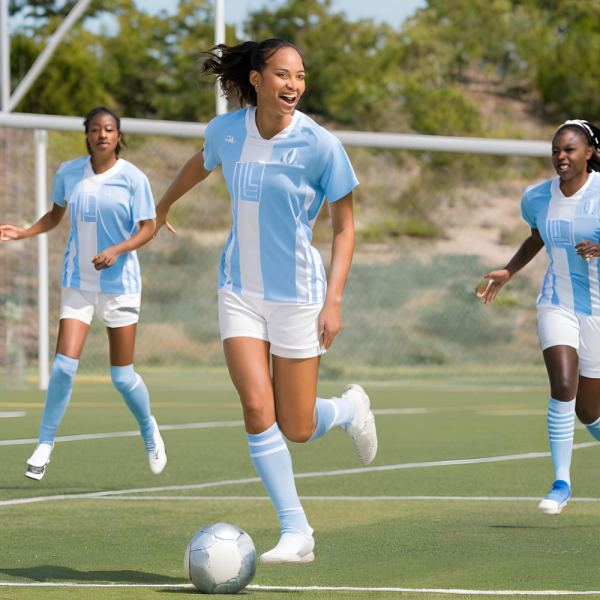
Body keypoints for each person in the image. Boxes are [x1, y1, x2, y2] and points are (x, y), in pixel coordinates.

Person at [154, 39, 377, 564]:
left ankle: (348, 409)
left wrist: (334, 301)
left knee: (296, 425)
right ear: (256, 79)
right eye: (282, 74)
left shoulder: (322, 146)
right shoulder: (226, 131)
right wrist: (162, 205)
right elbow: (199, 163)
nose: (293, 85)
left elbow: (344, 229)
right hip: (238, 289)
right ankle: (297, 533)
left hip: (299, 296)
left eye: (300, 76)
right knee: (258, 408)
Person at [0, 107, 167, 480]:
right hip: (78, 281)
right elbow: (56, 216)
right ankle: (45, 444)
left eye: (109, 129)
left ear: (118, 136)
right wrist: (23, 232)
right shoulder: (69, 173)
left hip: (120, 286)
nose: (102, 134)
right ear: (87, 135)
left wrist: (118, 250)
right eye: (95, 129)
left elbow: (148, 227)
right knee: (63, 367)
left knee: (122, 377)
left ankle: (148, 430)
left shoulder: (134, 179)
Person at [478, 119, 600, 515]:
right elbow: (536, 238)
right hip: (556, 302)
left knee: (589, 410)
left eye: (569, 150)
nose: (560, 157)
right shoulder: (536, 197)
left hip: (597, 309)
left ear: (590, 153)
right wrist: (508, 271)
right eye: (555, 150)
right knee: (563, 384)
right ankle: (561, 482)